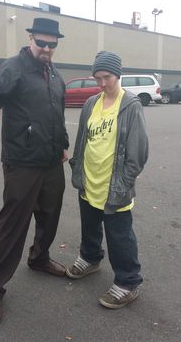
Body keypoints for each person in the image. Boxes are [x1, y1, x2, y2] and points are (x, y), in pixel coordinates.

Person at [0, 17, 69, 324]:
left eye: (52, 44)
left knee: (50, 214)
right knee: (13, 225)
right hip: (22, 162)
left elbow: (57, 112)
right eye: (42, 42)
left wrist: (62, 144)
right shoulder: (14, 67)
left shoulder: (53, 72)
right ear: (31, 39)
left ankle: (39, 258)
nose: (47, 48)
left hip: (51, 161)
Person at [66, 51, 148, 309]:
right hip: (89, 181)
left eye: (107, 77)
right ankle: (90, 258)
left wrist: (124, 182)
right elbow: (82, 139)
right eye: (97, 77)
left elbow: (138, 152)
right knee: (89, 226)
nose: (102, 83)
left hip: (115, 186)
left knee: (120, 236)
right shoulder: (92, 103)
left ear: (118, 75)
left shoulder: (130, 105)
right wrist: (77, 167)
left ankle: (128, 282)